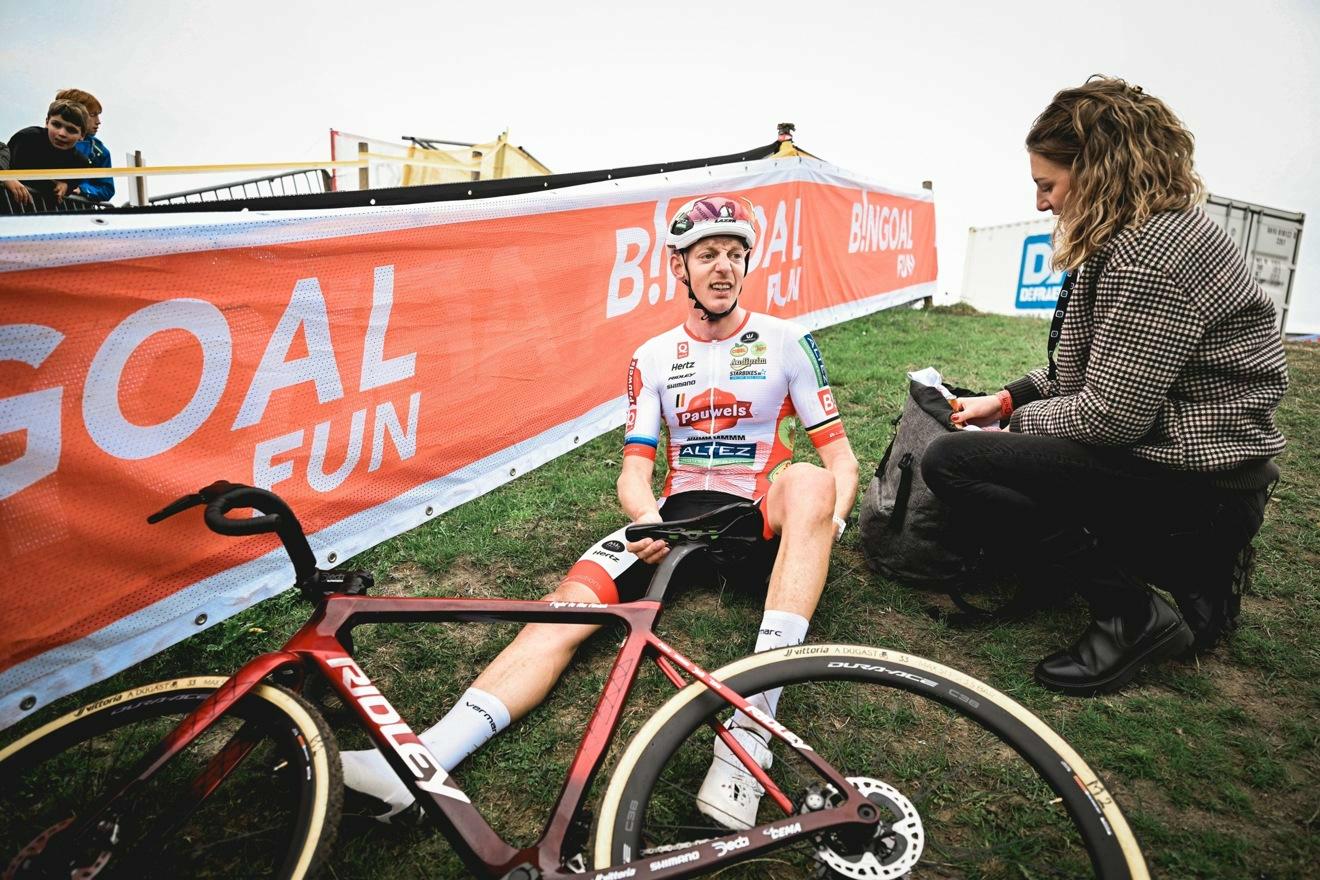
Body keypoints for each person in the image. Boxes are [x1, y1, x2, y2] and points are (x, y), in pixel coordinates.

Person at [340, 194, 860, 828]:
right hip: (673, 520)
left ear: (746, 262)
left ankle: (751, 739)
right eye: (706, 255)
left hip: (757, 515)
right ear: (680, 267)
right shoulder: (653, 355)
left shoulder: (786, 340)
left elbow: (840, 462)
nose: (722, 267)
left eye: (733, 254)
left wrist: (825, 524)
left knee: (807, 480)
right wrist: (646, 522)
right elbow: (635, 472)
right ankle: (419, 763)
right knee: (560, 613)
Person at [921, 76, 1287, 697]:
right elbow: (1099, 368)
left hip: (1199, 488)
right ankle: (1199, 579)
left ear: (1097, 171)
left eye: (1048, 184)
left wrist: (1009, 429)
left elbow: (1113, 418)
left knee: (954, 462)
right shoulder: (1152, 232)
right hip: (1211, 474)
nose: (1042, 204)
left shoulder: (1150, 255)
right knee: (1000, 450)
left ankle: (1130, 612)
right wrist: (1008, 397)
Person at [4, 99, 93, 209]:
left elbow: (71, 184)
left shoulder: (81, 162)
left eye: (71, 130)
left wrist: (67, 185)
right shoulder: (28, 138)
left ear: (82, 135)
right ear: (47, 122)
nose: (62, 133)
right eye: (56, 125)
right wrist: (5, 177)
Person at [55, 88, 114, 202]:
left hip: (78, 211)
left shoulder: (100, 152)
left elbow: (107, 189)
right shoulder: (43, 138)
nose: (98, 121)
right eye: (93, 115)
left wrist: (82, 190)